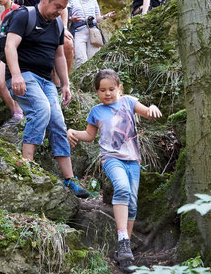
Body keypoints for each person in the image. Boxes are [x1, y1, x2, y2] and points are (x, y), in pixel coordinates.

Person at [66, 69, 162, 270]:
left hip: (133, 160)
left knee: (132, 204)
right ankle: (123, 241)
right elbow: (89, 136)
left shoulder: (128, 101)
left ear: (119, 88)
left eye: (111, 89)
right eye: (102, 90)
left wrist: (152, 107)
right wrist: (72, 131)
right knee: (122, 188)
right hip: (111, 158)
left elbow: (146, 112)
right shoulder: (96, 111)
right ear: (96, 92)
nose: (107, 93)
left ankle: (123, 254)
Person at [4, 0, 89, 198]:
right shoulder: (25, 16)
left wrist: (66, 83)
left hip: (45, 80)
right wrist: (15, 75)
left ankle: (70, 180)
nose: (60, 12)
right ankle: (27, 167)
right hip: (23, 75)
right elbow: (10, 46)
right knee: (41, 109)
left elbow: (59, 55)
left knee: (58, 122)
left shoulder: (58, 24)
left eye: (63, 8)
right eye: (58, 7)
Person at [14, 0, 75, 74]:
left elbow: (63, 7)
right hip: (33, 30)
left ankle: (65, 78)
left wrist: (64, 28)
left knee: (68, 43)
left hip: (54, 23)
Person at [68, 0, 115, 68]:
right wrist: (71, 19)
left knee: (94, 58)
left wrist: (106, 16)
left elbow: (98, 19)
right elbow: (67, 17)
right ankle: (80, 80)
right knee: (80, 58)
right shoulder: (73, 0)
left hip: (93, 32)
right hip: (78, 32)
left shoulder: (93, 0)